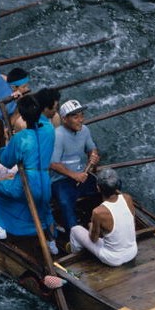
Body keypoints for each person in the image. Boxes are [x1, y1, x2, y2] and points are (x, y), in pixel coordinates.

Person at [0, 95, 55, 243]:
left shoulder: (21, 138)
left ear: (22, 116)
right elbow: (38, 118)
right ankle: (52, 242)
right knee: (45, 208)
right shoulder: (49, 129)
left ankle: (0, 228)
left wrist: (7, 141)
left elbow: (6, 161)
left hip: (27, 183)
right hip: (45, 181)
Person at [68, 168, 138, 267]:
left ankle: (77, 258)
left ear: (98, 188)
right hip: (132, 252)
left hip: (112, 259)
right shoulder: (128, 198)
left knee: (75, 230)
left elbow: (94, 239)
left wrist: (92, 225)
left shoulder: (98, 212)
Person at [50, 99, 100, 233]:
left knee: (100, 191)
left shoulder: (85, 130)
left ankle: (95, 224)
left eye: (82, 115)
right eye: (75, 116)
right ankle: (73, 233)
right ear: (64, 119)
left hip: (82, 175)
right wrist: (75, 176)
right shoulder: (58, 135)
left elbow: (92, 149)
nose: (81, 120)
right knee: (66, 203)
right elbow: (53, 164)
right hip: (61, 180)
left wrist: (93, 156)